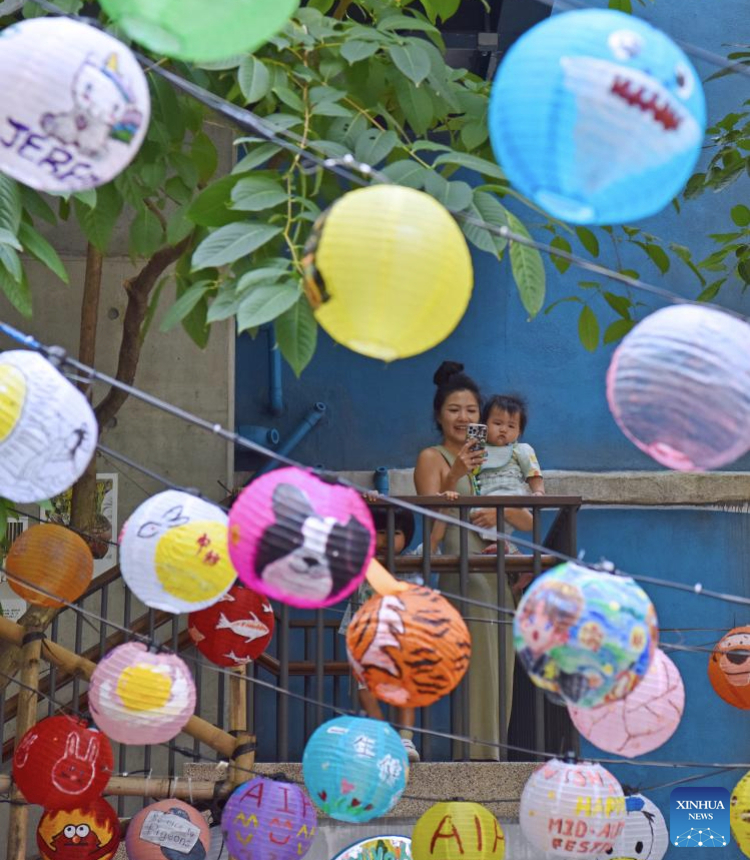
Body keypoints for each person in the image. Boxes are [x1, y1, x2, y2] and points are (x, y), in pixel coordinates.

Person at [413, 361, 524, 761]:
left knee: (502, 663)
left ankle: (496, 752)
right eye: (454, 410)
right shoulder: (432, 457)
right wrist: (456, 472)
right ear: (439, 415)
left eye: (472, 411)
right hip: (463, 569)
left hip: (497, 567)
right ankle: (478, 755)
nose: (464, 418)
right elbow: (431, 529)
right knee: (478, 663)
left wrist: (499, 513)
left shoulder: (499, 458)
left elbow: (525, 515)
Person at [339, 505, 422, 762]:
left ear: (406, 538)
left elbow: (435, 539)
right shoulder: (363, 559)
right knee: (364, 685)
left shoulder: (413, 561)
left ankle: (405, 738)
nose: (387, 539)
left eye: (395, 533)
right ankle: (383, 735)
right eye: (381, 532)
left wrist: (444, 504)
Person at [473, 394, 545, 546]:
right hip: (485, 494)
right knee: (477, 514)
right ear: (485, 424)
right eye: (497, 423)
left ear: (519, 432)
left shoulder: (520, 450)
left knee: (500, 518)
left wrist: (538, 492)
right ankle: (498, 544)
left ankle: (500, 543)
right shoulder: (479, 449)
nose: (503, 430)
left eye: (511, 426)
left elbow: (533, 473)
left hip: (510, 494)